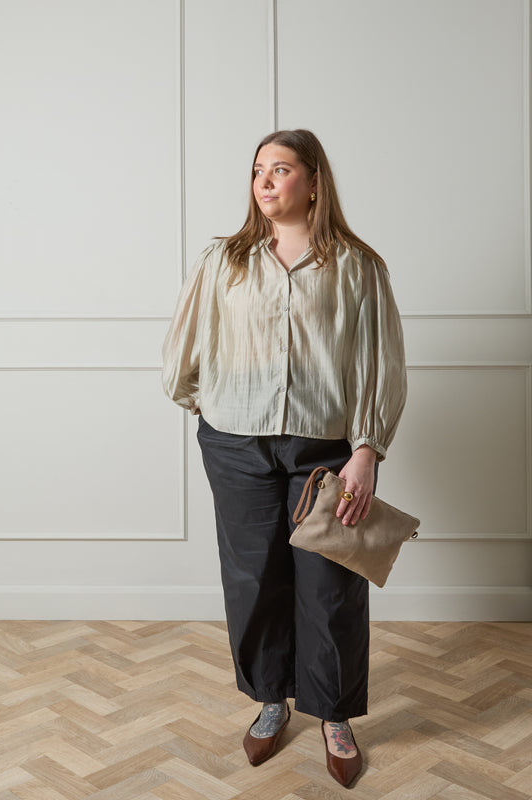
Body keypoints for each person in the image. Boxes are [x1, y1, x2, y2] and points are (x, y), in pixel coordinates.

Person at [162, 129, 407, 788]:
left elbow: (378, 364)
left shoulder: (356, 265)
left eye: (282, 169)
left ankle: (331, 713)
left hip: (326, 452)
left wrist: (366, 450)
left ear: (314, 181)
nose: (266, 181)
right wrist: (214, 413)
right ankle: (272, 700)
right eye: (257, 171)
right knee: (254, 579)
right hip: (235, 446)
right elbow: (184, 348)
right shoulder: (225, 260)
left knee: (330, 588)